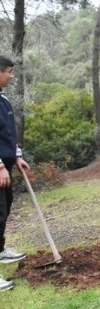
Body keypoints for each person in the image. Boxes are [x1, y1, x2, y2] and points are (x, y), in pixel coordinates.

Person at [0, 56, 31, 291]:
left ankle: (0, 250)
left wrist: (17, 156)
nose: (12, 76)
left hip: (7, 165)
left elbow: (8, 134)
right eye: (9, 71)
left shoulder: (4, 100)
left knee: (5, 207)